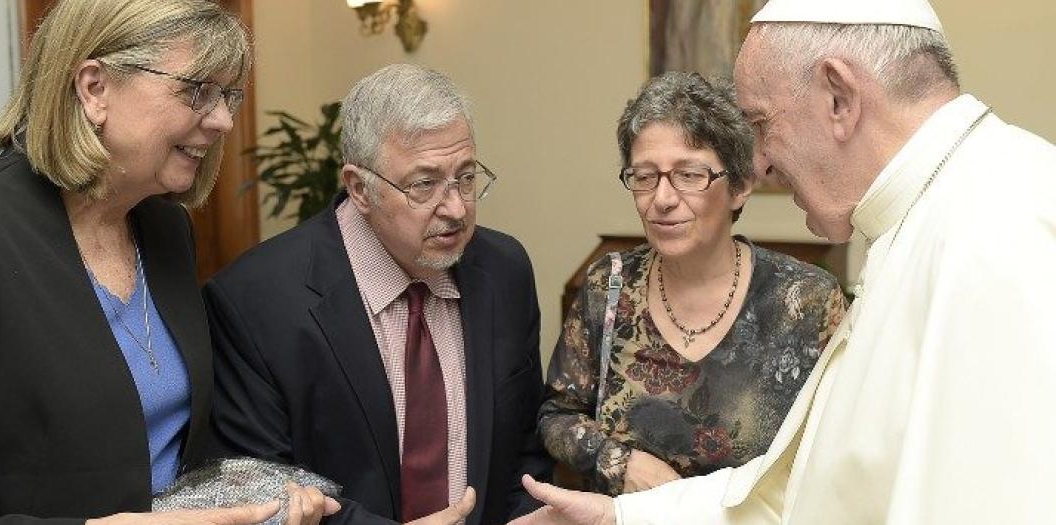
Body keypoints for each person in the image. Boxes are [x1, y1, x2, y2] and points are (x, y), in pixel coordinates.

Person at [510, 0, 1056, 523]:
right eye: (646, 175)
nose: (762, 163)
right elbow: (808, 488)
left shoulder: (1000, 225)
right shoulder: (925, 220)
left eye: (762, 123)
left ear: (839, 99)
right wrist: (619, 512)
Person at [0, 0, 335, 523]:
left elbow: (172, 453)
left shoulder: (164, 228)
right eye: (198, 90)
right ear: (94, 88)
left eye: (227, 96)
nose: (222, 120)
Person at [204, 63, 554, 525]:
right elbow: (257, 483)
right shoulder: (256, 299)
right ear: (359, 188)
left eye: (466, 177)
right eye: (424, 184)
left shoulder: (504, 271)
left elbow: (524, 445)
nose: (455, 208)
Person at [538, 71, 845, 496]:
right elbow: (557, 416)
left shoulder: (805, 301)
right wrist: (619, 462)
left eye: (689, 175)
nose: (662, 199)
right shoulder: (607, 287)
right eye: (645, 176)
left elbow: (840, 449)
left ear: (739, 186)